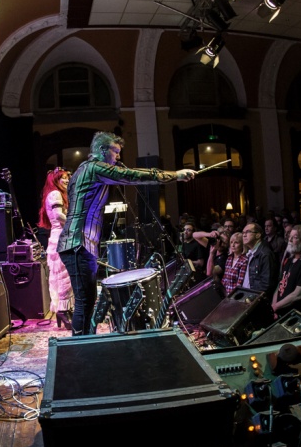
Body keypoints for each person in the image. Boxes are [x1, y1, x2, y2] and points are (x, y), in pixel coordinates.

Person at [58, 131, 196, 335]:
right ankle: (80, 347)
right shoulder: (94, 168)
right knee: (84, 302)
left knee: (86, 302)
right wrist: (176, 175)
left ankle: (85, 343)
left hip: (79, 244)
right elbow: (132, 175)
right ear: (102, 150)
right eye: (115, 151)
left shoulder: (82, 170)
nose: (118, 157)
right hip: (77, 243)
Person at [38, 168, 73, 329]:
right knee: (64, 276)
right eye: (63, 178)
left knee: (63, 275)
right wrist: (73, 225)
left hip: (60, 237)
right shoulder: (55, 194)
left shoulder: (56, 194)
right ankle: (63, 310)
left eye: (67, 178)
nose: (67, 180)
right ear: (55, 180)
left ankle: (64, 309)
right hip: (61, 237)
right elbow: (58, 215)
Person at [271, 224, 301, 320]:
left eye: (295, 237)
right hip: (281, 311)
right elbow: (279, 286)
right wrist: (274, 307)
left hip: (295, 315)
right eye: (290, 236)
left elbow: (298, 294)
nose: (290, 240)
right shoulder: (290, 260)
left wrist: (275, 307)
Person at [240, 223, 278, 293]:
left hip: (255, 297)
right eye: (243, 233)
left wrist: (252, 297)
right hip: (247, 295)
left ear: (258, 235)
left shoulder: (265, 254)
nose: (244, 235)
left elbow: (266, 285)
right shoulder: (249, 253)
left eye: (248, 232)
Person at [220, 231, 248, 296]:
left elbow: (240, 283)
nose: (233, 245)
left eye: (236, 242)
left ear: (242, 245)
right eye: (231, 242)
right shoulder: (229, 258)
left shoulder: (244, 260)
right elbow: (225, 278)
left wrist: (229, 295)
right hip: (225, 293)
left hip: (235, 295)